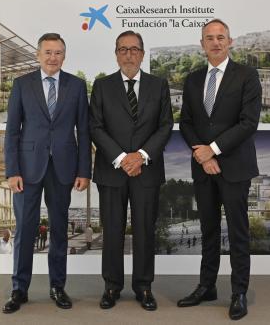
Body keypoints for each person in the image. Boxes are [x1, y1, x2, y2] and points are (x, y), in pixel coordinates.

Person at [178, 19, 262, 320]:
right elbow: (186, 122)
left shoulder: (248, 76)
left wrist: (212, 150)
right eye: (209, 38)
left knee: (238, 232)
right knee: (208, 229)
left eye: (220, 37)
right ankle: (207, 286)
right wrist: (202, 156)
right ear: (202, 44)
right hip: (203, 168)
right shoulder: (193, 79)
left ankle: (238, 291)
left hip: (234, 167)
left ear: (230, 42)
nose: (215, 42)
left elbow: (248, 122)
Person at [2, 33, 91, 314]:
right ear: (38, 55)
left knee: (59, 231)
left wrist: (84, 170)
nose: (53, 58)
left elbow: (84, 131)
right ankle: (19, 289)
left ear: (65, 56)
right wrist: (12, 170)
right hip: (27, 170)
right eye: (48, 52)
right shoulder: (22, 84)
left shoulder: (76, 86)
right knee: (25, 231)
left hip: (64, 168)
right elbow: (12, 131)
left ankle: (57, 287)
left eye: (59, 53)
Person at [89, 30, 173, 311]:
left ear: (142, 54)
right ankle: (111, 286)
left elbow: (165, 126)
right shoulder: (101, 86)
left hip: (146, 170)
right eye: (123, 49)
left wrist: (141, 156)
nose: (129, 54)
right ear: (116, 54)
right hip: (111, 171)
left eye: (134, 49)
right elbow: (95, 127)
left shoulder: (158, 85)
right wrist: (123, 157)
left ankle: (144, 287)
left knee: (145, 230)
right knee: (112, 230)